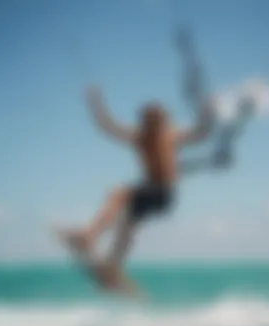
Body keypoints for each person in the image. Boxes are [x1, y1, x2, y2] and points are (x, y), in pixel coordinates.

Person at [57, 85, 214, 289]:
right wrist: (96, 103)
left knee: (120, 194)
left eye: (157, 120)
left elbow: (201, 133)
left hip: (164, 193)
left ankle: (89, 236)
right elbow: (108, 126)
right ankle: (113, 269)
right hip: (153, 192)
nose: (153, 125)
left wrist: (206, 112)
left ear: (163, 121)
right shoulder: (141, 137)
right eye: (150, 120)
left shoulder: (170, 136)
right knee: (127, 226)